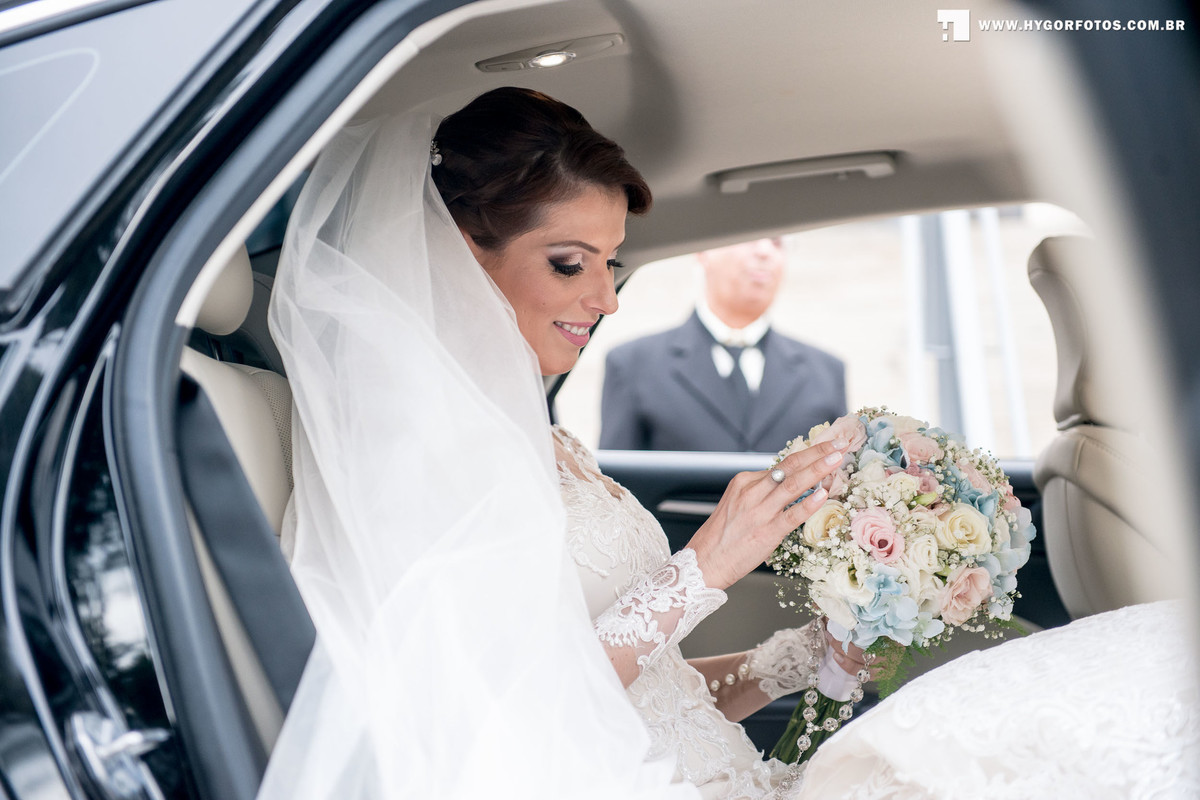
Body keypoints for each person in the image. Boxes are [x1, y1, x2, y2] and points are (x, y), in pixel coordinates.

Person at [262, 88, 1199, 799]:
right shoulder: (412, 457)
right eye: (569, 263)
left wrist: (802, 658)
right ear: (458, 255)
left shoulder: (547, 444)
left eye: (612, 264)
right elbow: (507, 712)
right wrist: (703, 565)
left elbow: (650, 695)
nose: (607, 298)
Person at [599, 237, 846, 453]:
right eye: (749, 235)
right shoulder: (633, 364)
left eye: (777, 241)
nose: (764, 251)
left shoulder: (826, 372)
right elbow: (612, 483)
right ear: (703, 251)